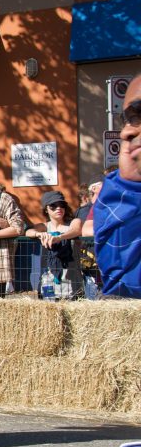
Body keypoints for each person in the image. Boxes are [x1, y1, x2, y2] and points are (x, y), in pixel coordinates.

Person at [94, 74, 141, 298]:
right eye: (127, 119)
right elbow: (123, 285)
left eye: (139, 114)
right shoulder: (119, 190)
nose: (125, 132)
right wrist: (129, 183)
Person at [24, 191, 83, 298]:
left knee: (71, 304)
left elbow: (76, 229)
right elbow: (28, 231)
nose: (58, 208)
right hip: (48, 276)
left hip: (70, 275)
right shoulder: (45, 226)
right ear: (46, 209)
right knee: (49, 305)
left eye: (62, 205)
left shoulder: (73, 222)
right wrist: (40, 234)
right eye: (53, 206)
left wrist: (59, 237)